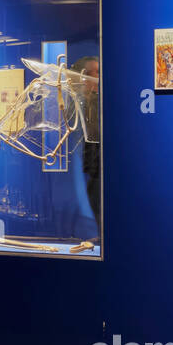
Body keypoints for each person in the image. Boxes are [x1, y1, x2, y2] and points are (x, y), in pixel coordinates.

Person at [71, 55, 101, 234]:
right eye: (93, 73)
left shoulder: (99, 103)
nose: (97, 78)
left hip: (99, 171)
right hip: (92, 170)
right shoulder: (77, 104)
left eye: (98, 72)